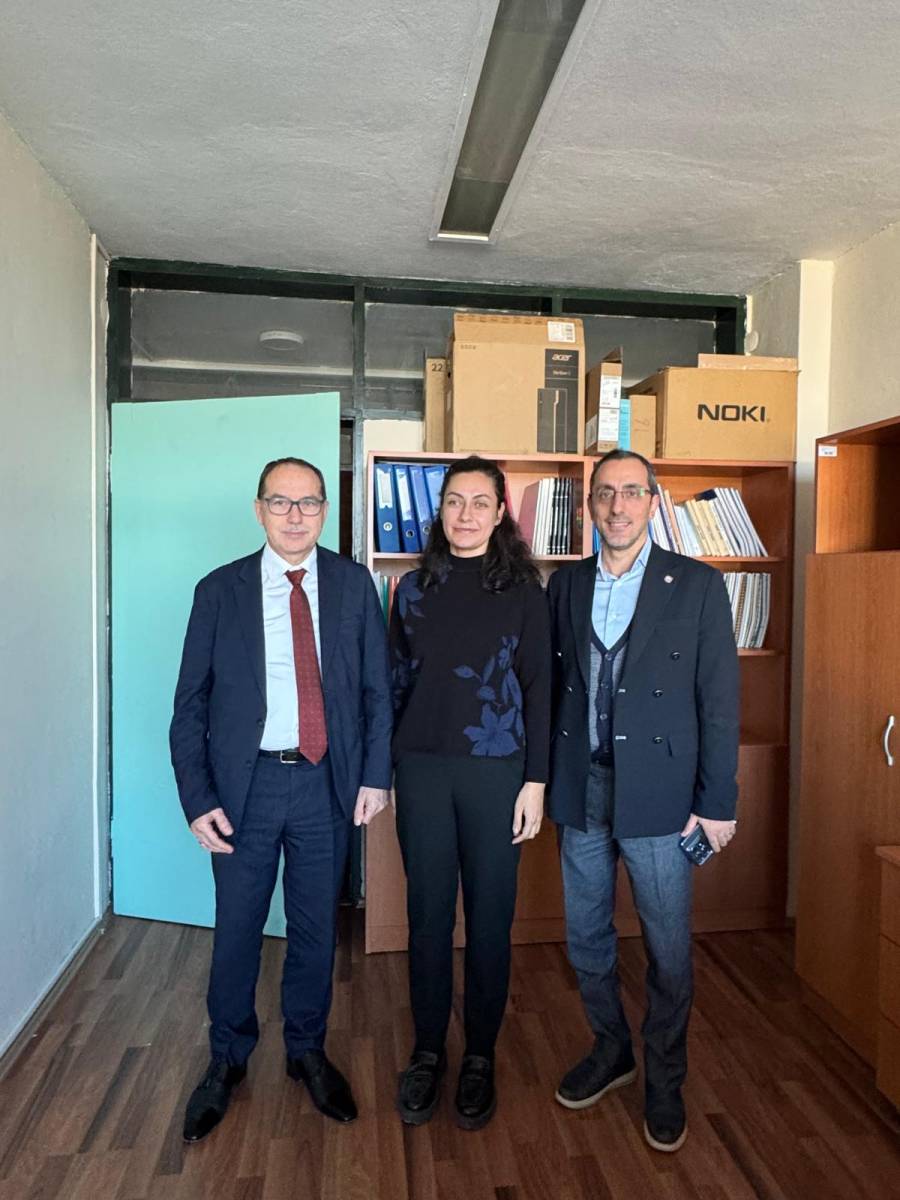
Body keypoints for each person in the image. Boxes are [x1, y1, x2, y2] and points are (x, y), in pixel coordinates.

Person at [170, 456, 392, 1142]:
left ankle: (306, 1050)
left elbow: (377, 692)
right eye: (281, 502)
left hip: (327, 783)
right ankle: (227, 1057)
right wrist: (197, 798)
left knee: (316, 929)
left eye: (309, 502)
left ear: (325, 510)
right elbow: (190, 705)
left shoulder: (354, 586)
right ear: (259, 509)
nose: (295, 516)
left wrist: (375, 776)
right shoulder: (220, 591)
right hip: (246, 789)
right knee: (237, 929)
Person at [547, 448, 739, 1153]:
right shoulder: (565, 585)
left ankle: (665, 1077)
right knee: (586, 937)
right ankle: (611, 1049)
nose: (618, 506)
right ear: (590, 506)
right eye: (605, 493)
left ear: (654, 502)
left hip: (661, 793)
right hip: (583, 787)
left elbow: (719, 703)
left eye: (632, 492)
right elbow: (553, 689)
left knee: (666, 946)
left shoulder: (697, 585)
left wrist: (717, 803)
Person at [389, 455, 551, 1130]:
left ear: (500, 512)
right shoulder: (411, 588)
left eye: (480, 502)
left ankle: (480, 1054)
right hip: (422, 771)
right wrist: (383, 771)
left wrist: (535, 781)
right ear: (441, 509)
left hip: (497, 773)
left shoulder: (525, 591)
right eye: (455, 501)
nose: (466, 514)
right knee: (427, 917)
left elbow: (540, 689)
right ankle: (428, 1050)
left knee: (489, 919)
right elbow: (393, 683)